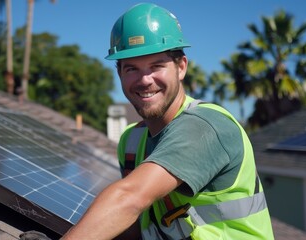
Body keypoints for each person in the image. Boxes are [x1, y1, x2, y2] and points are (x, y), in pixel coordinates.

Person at [61, 3, 274, 240]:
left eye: (156, 66)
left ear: (181, 67)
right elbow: (131, 226)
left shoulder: (205, 127)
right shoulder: (131, 142)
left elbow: (128, 199)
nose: (144, 80)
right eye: (131, 68)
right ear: (119, 72)